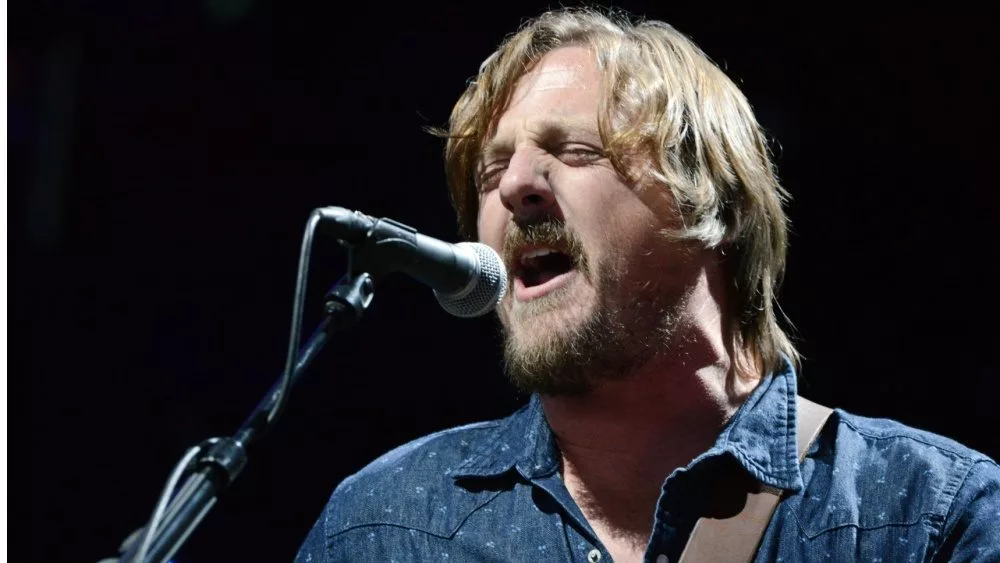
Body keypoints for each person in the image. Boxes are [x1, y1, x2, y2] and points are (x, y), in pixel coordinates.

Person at [296, 8, 998, 562]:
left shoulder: (928, 515)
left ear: (710, 207)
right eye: (490, 172)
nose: (513, 187)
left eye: (575, 150)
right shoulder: (385, 527)